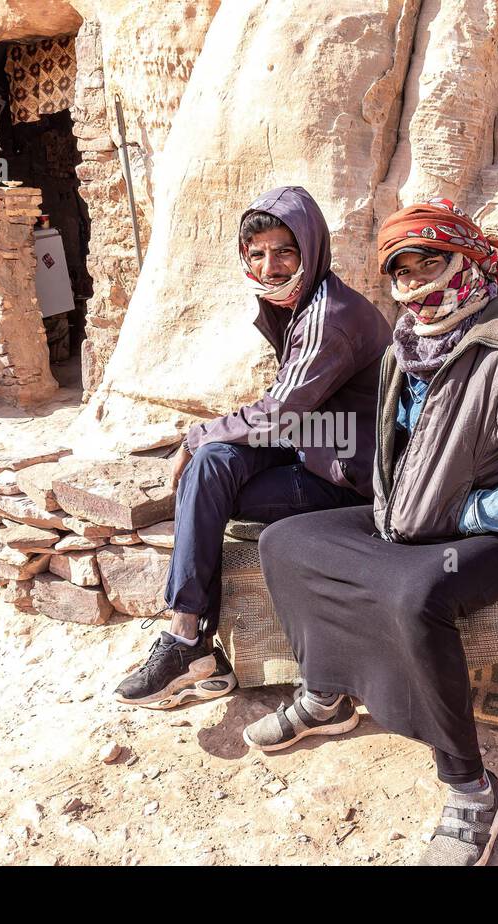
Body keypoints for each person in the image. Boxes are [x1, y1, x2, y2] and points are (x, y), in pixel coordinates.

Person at [245, 198, 498, 865]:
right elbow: (402, 446)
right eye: (399, 270)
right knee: (283, 543)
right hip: (413, 518)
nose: (413, 282)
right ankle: (325, 694)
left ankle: (471, 786)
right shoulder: (409, 346)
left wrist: (467, 514)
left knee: (413, 596)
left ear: (466, 262)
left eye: (428, 262)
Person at [113, 185, 391, 710]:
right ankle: (189, 637)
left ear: (311, 249)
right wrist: (208, 442)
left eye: (285, 251)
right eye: (257, 254)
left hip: (347, 472)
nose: (270, 266)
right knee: (213, 465)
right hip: (314, 442)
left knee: (206, 475)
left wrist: (196, 433)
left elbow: (281, 410)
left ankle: (188, 641)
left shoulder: (331, 316)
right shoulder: (300, 301)